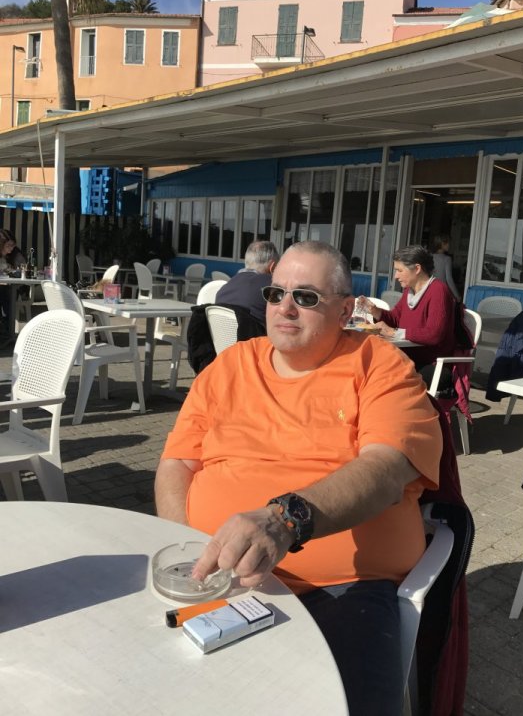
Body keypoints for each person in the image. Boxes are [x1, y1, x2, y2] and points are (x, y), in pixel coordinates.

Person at [155, 240, 442, 715]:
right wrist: (187, 548)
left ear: (345, 310)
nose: (285, 308)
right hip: (216, 576)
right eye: (275, 294)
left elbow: (386, 469)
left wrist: (285, 521)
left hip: (340, 586)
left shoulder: (380, 365)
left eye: (306, 297)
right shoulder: (231, 365)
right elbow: (177, 463)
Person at [358, 244, 458, 389]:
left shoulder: (438, 290)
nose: (396, 276)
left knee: (380, 374)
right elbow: (395, 318)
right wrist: (374, 310)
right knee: (365, 366)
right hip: (407, 358)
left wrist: (394, 332)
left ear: (417, 269)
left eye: (399, 270)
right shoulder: (409, 291)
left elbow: (434, 334)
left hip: (432, 364)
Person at [215, 240, 279, 326]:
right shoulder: (271, 287)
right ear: (272, 267)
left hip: (223, 334)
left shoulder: (223, 290)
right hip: (255, 334)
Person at [431, 234, 460, 301]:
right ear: (442, 244)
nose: (449, 245)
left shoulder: (429, 256)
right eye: (447, 243)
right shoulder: (447, 259)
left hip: (430, 289)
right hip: (441, 291)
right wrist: (457, 296)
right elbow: (449, 279)